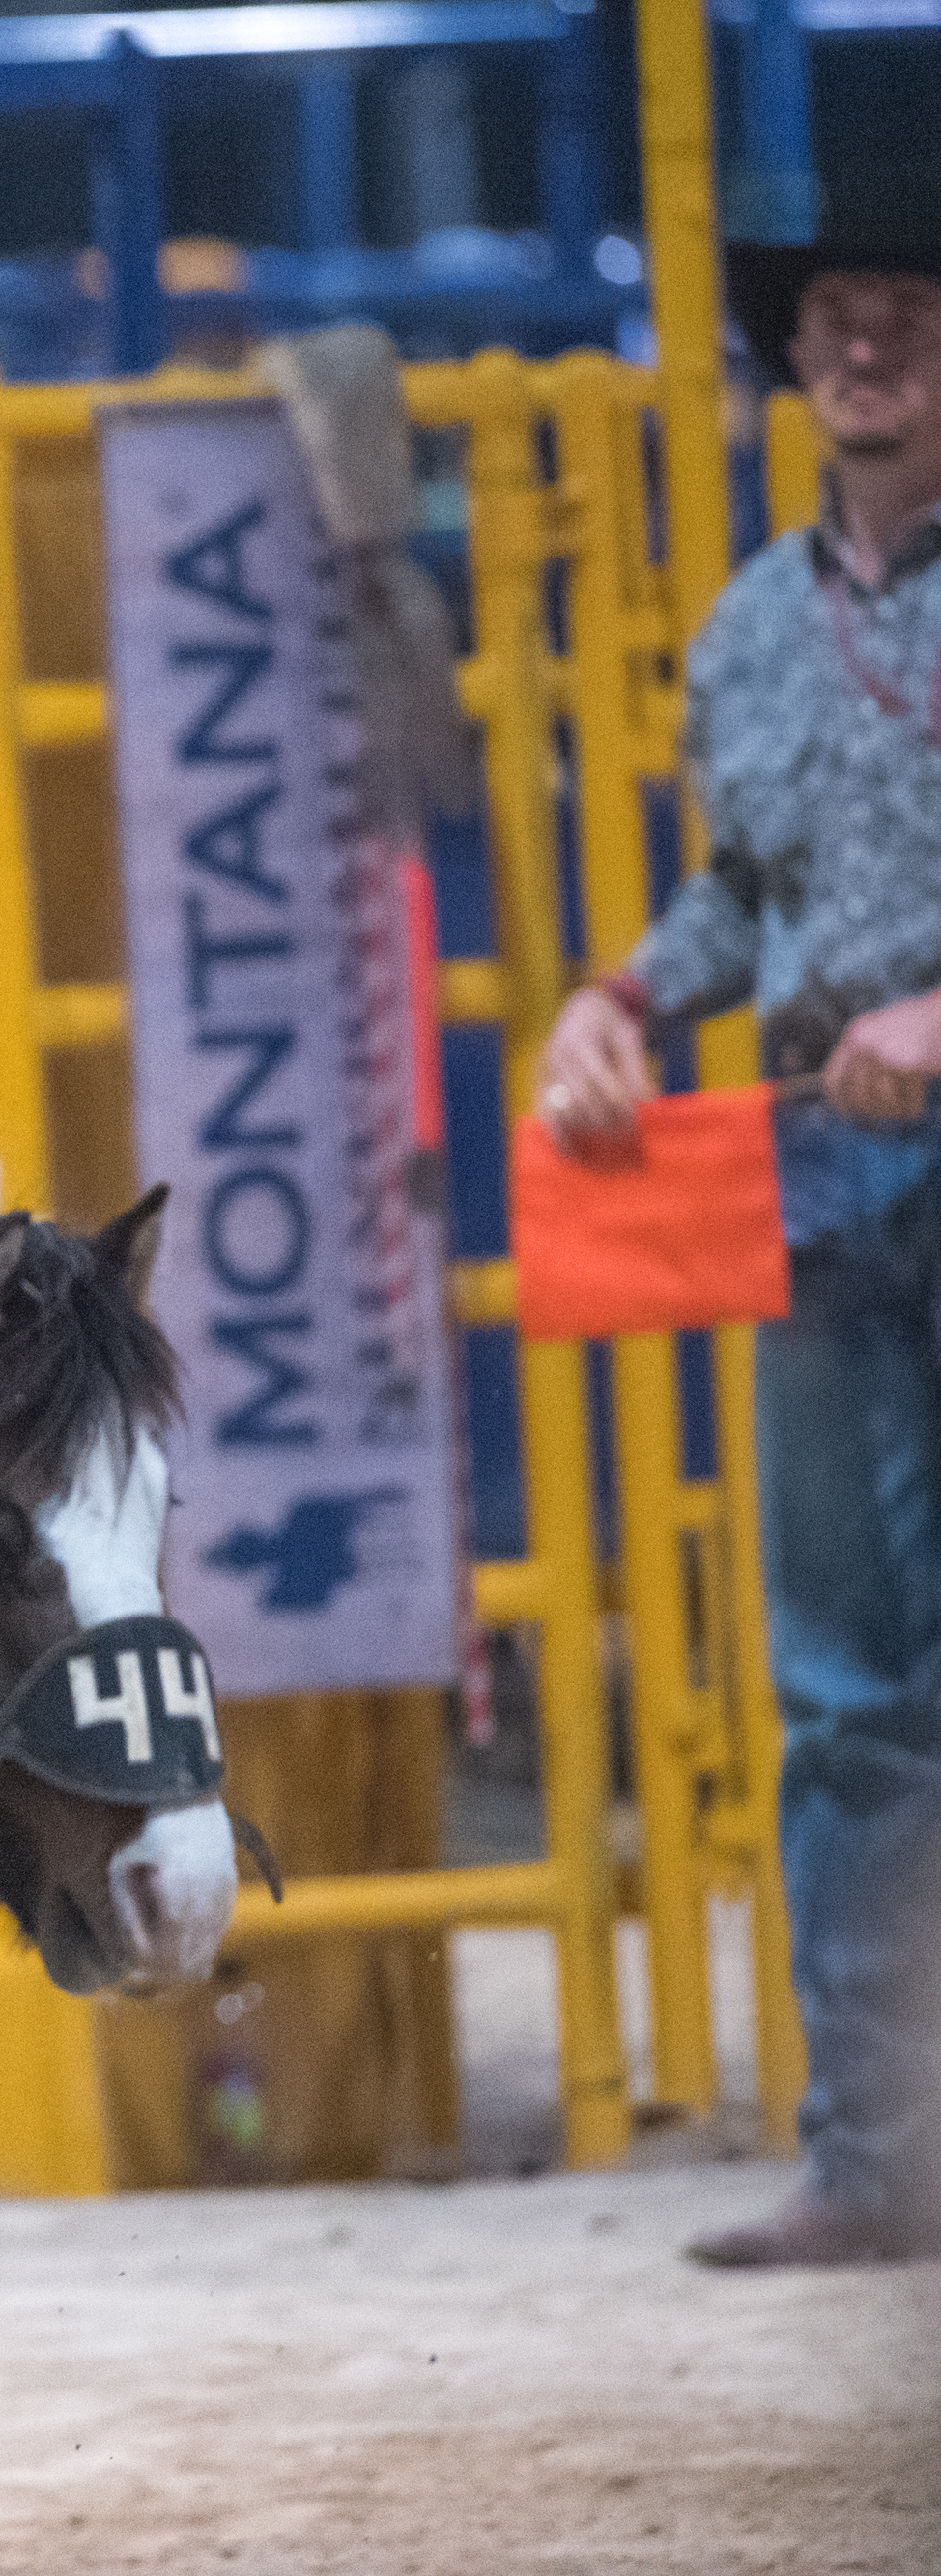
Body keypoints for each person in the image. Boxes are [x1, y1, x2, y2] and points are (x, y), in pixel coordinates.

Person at [540, 204, 941, 2268]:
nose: (859, 348)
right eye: (829, 322)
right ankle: (871, 2155)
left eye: (899, 316)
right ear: (790, 365)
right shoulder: (741, 633)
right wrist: (614, 1000)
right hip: (827, 1166)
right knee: (839, 1674)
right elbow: (738, 893)